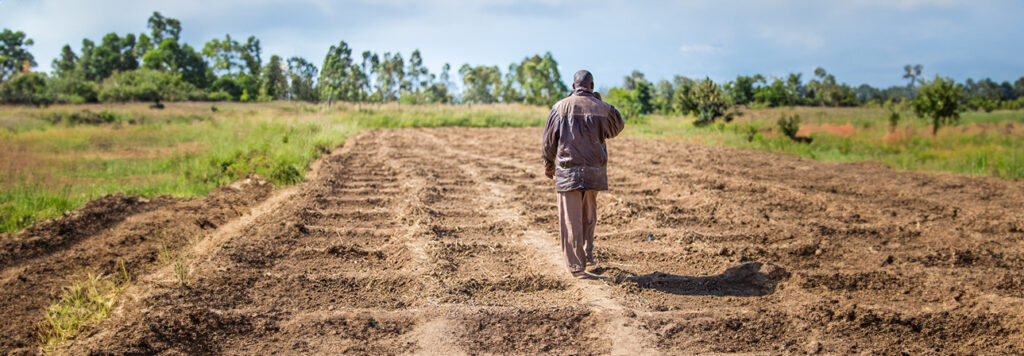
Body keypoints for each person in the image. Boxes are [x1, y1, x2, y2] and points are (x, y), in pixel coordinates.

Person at [542, 70, 625, 279]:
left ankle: (576, 266)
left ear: (573, 86)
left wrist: (548, 164)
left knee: (571, 219)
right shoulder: (603, 108)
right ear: (592, 85)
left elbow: (549, 141)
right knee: (589, 216)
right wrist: (599, 101)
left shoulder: (559, 107)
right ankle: (588, 255)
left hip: (568, 171)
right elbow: (617, 126)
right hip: (594, 172)